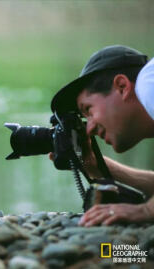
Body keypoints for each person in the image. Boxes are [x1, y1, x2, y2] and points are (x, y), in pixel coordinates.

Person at [50, 45, 154, 226]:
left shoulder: (148, 82)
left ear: (122, 87)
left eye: (88, 110)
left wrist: (146, 210)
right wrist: (95, 165)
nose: (89, 129)